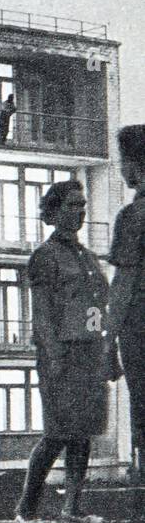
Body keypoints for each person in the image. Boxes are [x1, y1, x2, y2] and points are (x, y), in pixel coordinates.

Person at [14, 181, 119, 523]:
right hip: (62, 356)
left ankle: (72, 509)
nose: (80, 211)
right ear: (54, 211)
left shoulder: (88, 257)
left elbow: (100, 310)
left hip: (90, 354)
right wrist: (54, 359)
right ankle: (26, 511)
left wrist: (108, 352)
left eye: (83, 205)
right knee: (58, 433)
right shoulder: (45, 256)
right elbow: (42, 315)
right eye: (72, 205)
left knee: (83, 433)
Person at [107, 124, 145, 477]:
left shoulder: (133, 217)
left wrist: (107, 345)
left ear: (135, 163)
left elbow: (123, 285)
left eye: (123, 160)